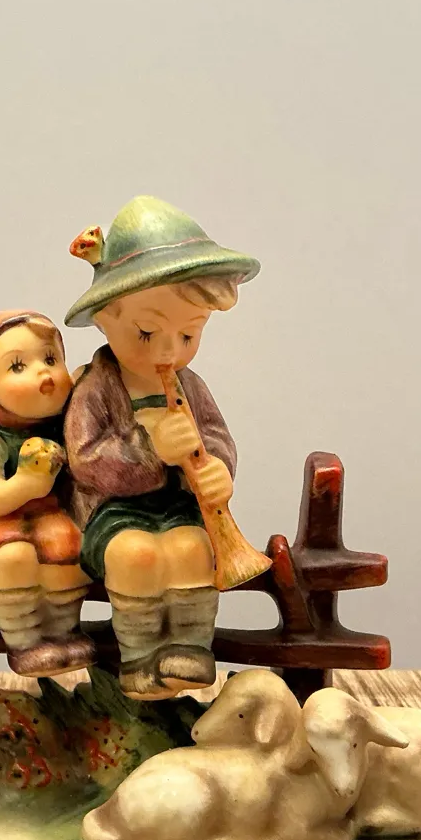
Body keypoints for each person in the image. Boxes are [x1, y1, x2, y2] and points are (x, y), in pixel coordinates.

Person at [63, 196, 259, 699]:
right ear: (106, 317)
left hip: (178, 508)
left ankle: (189, 649)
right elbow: (84, 460)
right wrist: (149, 449)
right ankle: (140, 657)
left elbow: (216, 435)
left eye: (189, 334)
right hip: (113, 513)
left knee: (193, 549)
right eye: (147, 332)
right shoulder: (96, 387)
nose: (169, 350)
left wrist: (216, 467)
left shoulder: (190, 385)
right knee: (135, 556)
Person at [0, 310, 94, 676]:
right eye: (18, 366)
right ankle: (24, 640)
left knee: (70, 552)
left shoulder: (71, 428)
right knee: (12, 560)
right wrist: (26, 483)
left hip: (57, 517)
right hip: (1, 525)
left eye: (50, 359)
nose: (44, 375)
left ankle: (65, 631)